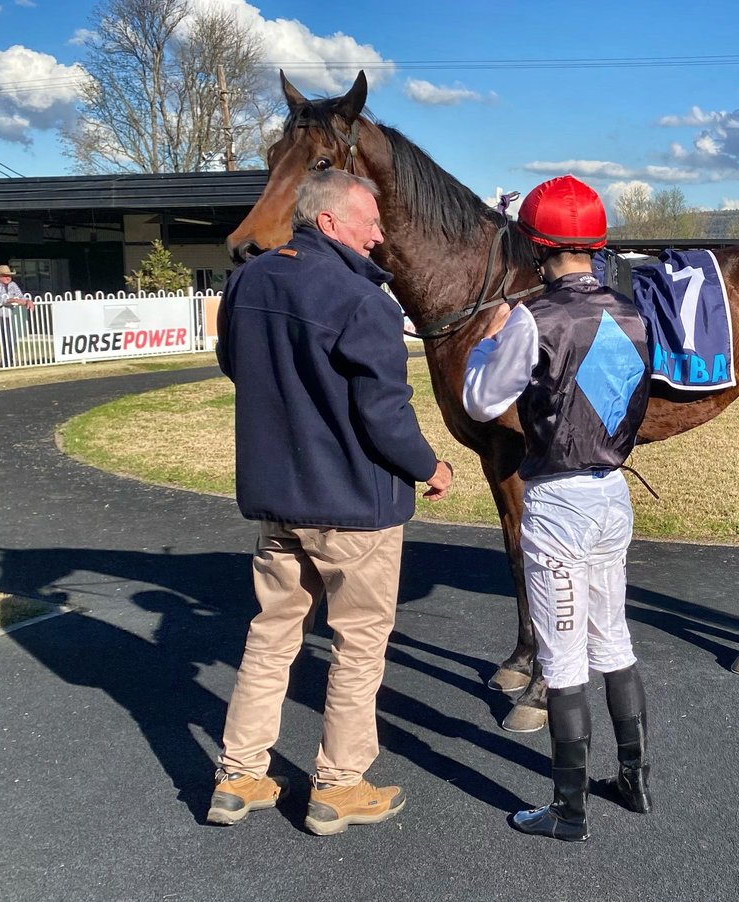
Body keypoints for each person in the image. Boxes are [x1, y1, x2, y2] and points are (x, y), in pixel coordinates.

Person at [209, 169, 454, 835]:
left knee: (270, 635)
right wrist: (430, 466)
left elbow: (237, 364)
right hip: (353, 505)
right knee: (359, 645)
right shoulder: (362, 299)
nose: (379, 234)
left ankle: (238, 773)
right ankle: (340, 786)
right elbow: (385, 413)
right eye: (369, 221)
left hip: (276, 499)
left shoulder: (247, 283)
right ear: (329, 223)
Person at [462, 175, 653, 843]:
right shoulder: (634, 313)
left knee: (564, 657)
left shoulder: (531, 319)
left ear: (539, 249)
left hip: (556, 501)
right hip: (613, 493)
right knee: (616, 640)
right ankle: (633, 781)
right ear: (595, 247)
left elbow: (481, 402)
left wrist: (486, 343)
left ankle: (568, 812)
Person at [0, 264, 33, 368]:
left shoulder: (13, 285)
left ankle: (7, 362)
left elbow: (21, 297)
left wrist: (28, 301)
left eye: (9, 275)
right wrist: (14, 300)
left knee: (10, 340)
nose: (8, 277)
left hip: (6, 317)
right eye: (5, 275)